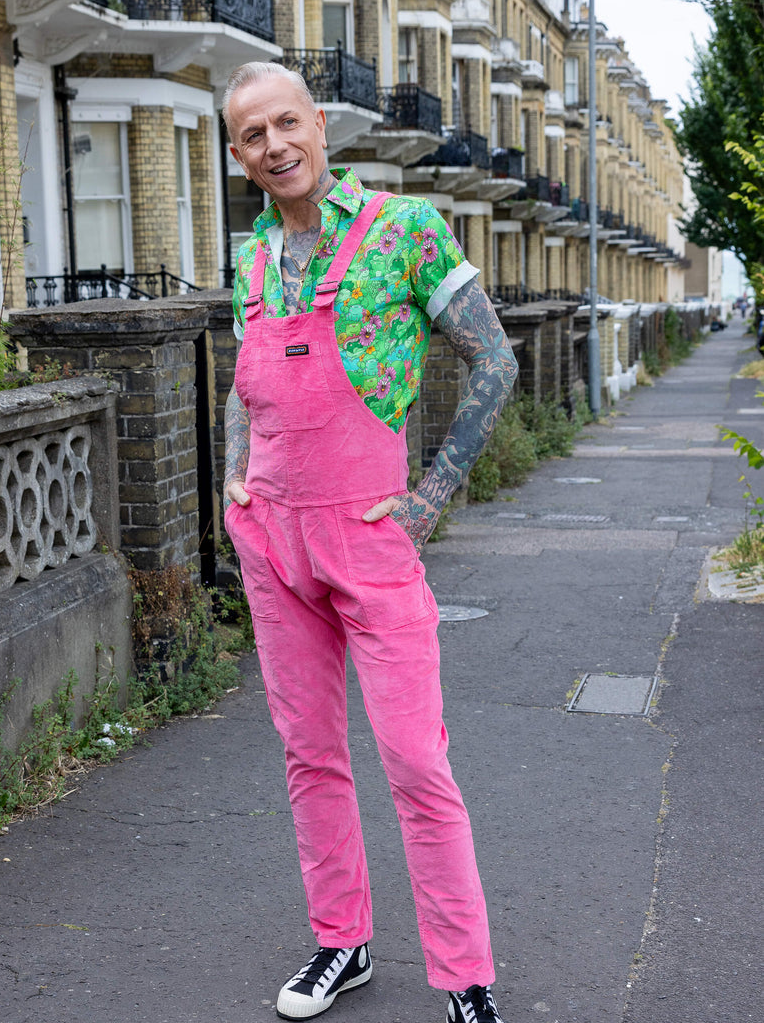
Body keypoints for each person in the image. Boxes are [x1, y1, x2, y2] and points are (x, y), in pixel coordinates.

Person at [221, 61, 519, 1023]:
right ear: (238, 155)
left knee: (415, 763)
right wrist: (233, 474)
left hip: (370, 535)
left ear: (317, 123)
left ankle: (464, 977)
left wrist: (431, 496)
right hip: (273, 542)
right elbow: (244, 380)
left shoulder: (404, 230)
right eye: (252, 136)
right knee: (309, 755)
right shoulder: (253, 258)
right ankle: (341, 943)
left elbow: (495, 359)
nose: (274, 146)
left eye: (285, 123)